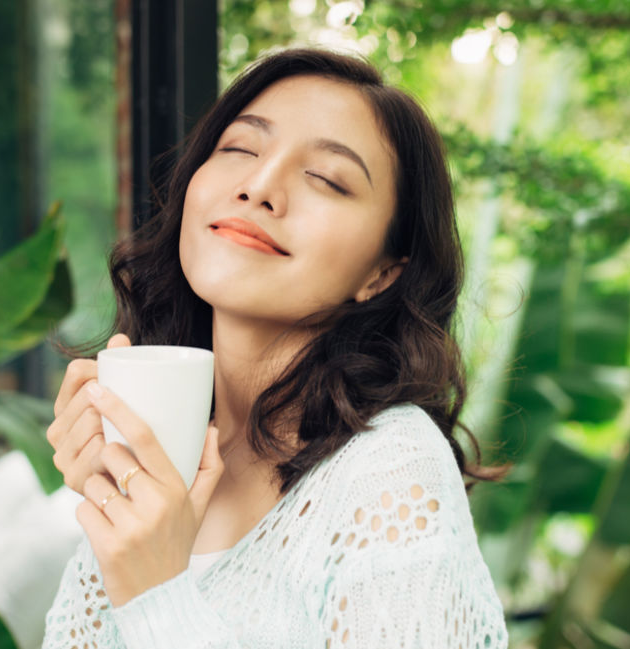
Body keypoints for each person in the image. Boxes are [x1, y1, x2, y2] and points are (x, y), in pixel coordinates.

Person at [43, 48, 509, 648]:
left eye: (327, 179)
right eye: (240, 148)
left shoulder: (390, 469)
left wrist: (155, 593)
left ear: (383, 273)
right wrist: (112, 501)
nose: (259, 186)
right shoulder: (157, 450)